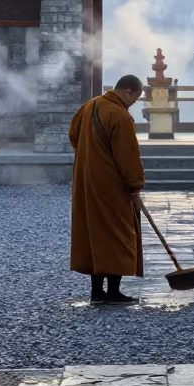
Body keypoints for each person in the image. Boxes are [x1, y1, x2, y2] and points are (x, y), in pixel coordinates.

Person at [69, 75, 145, 305]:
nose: (133, 104)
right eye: (135, 99)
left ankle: (96, 293)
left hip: (85, 180)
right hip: (111, 185)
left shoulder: (88, 106)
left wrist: (91, 155)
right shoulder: (119, 115)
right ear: (129, 91)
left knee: (94, 232)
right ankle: (113, 292)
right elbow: (127, 156)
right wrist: (135, 185)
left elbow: (74, 137)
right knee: (117, 232)